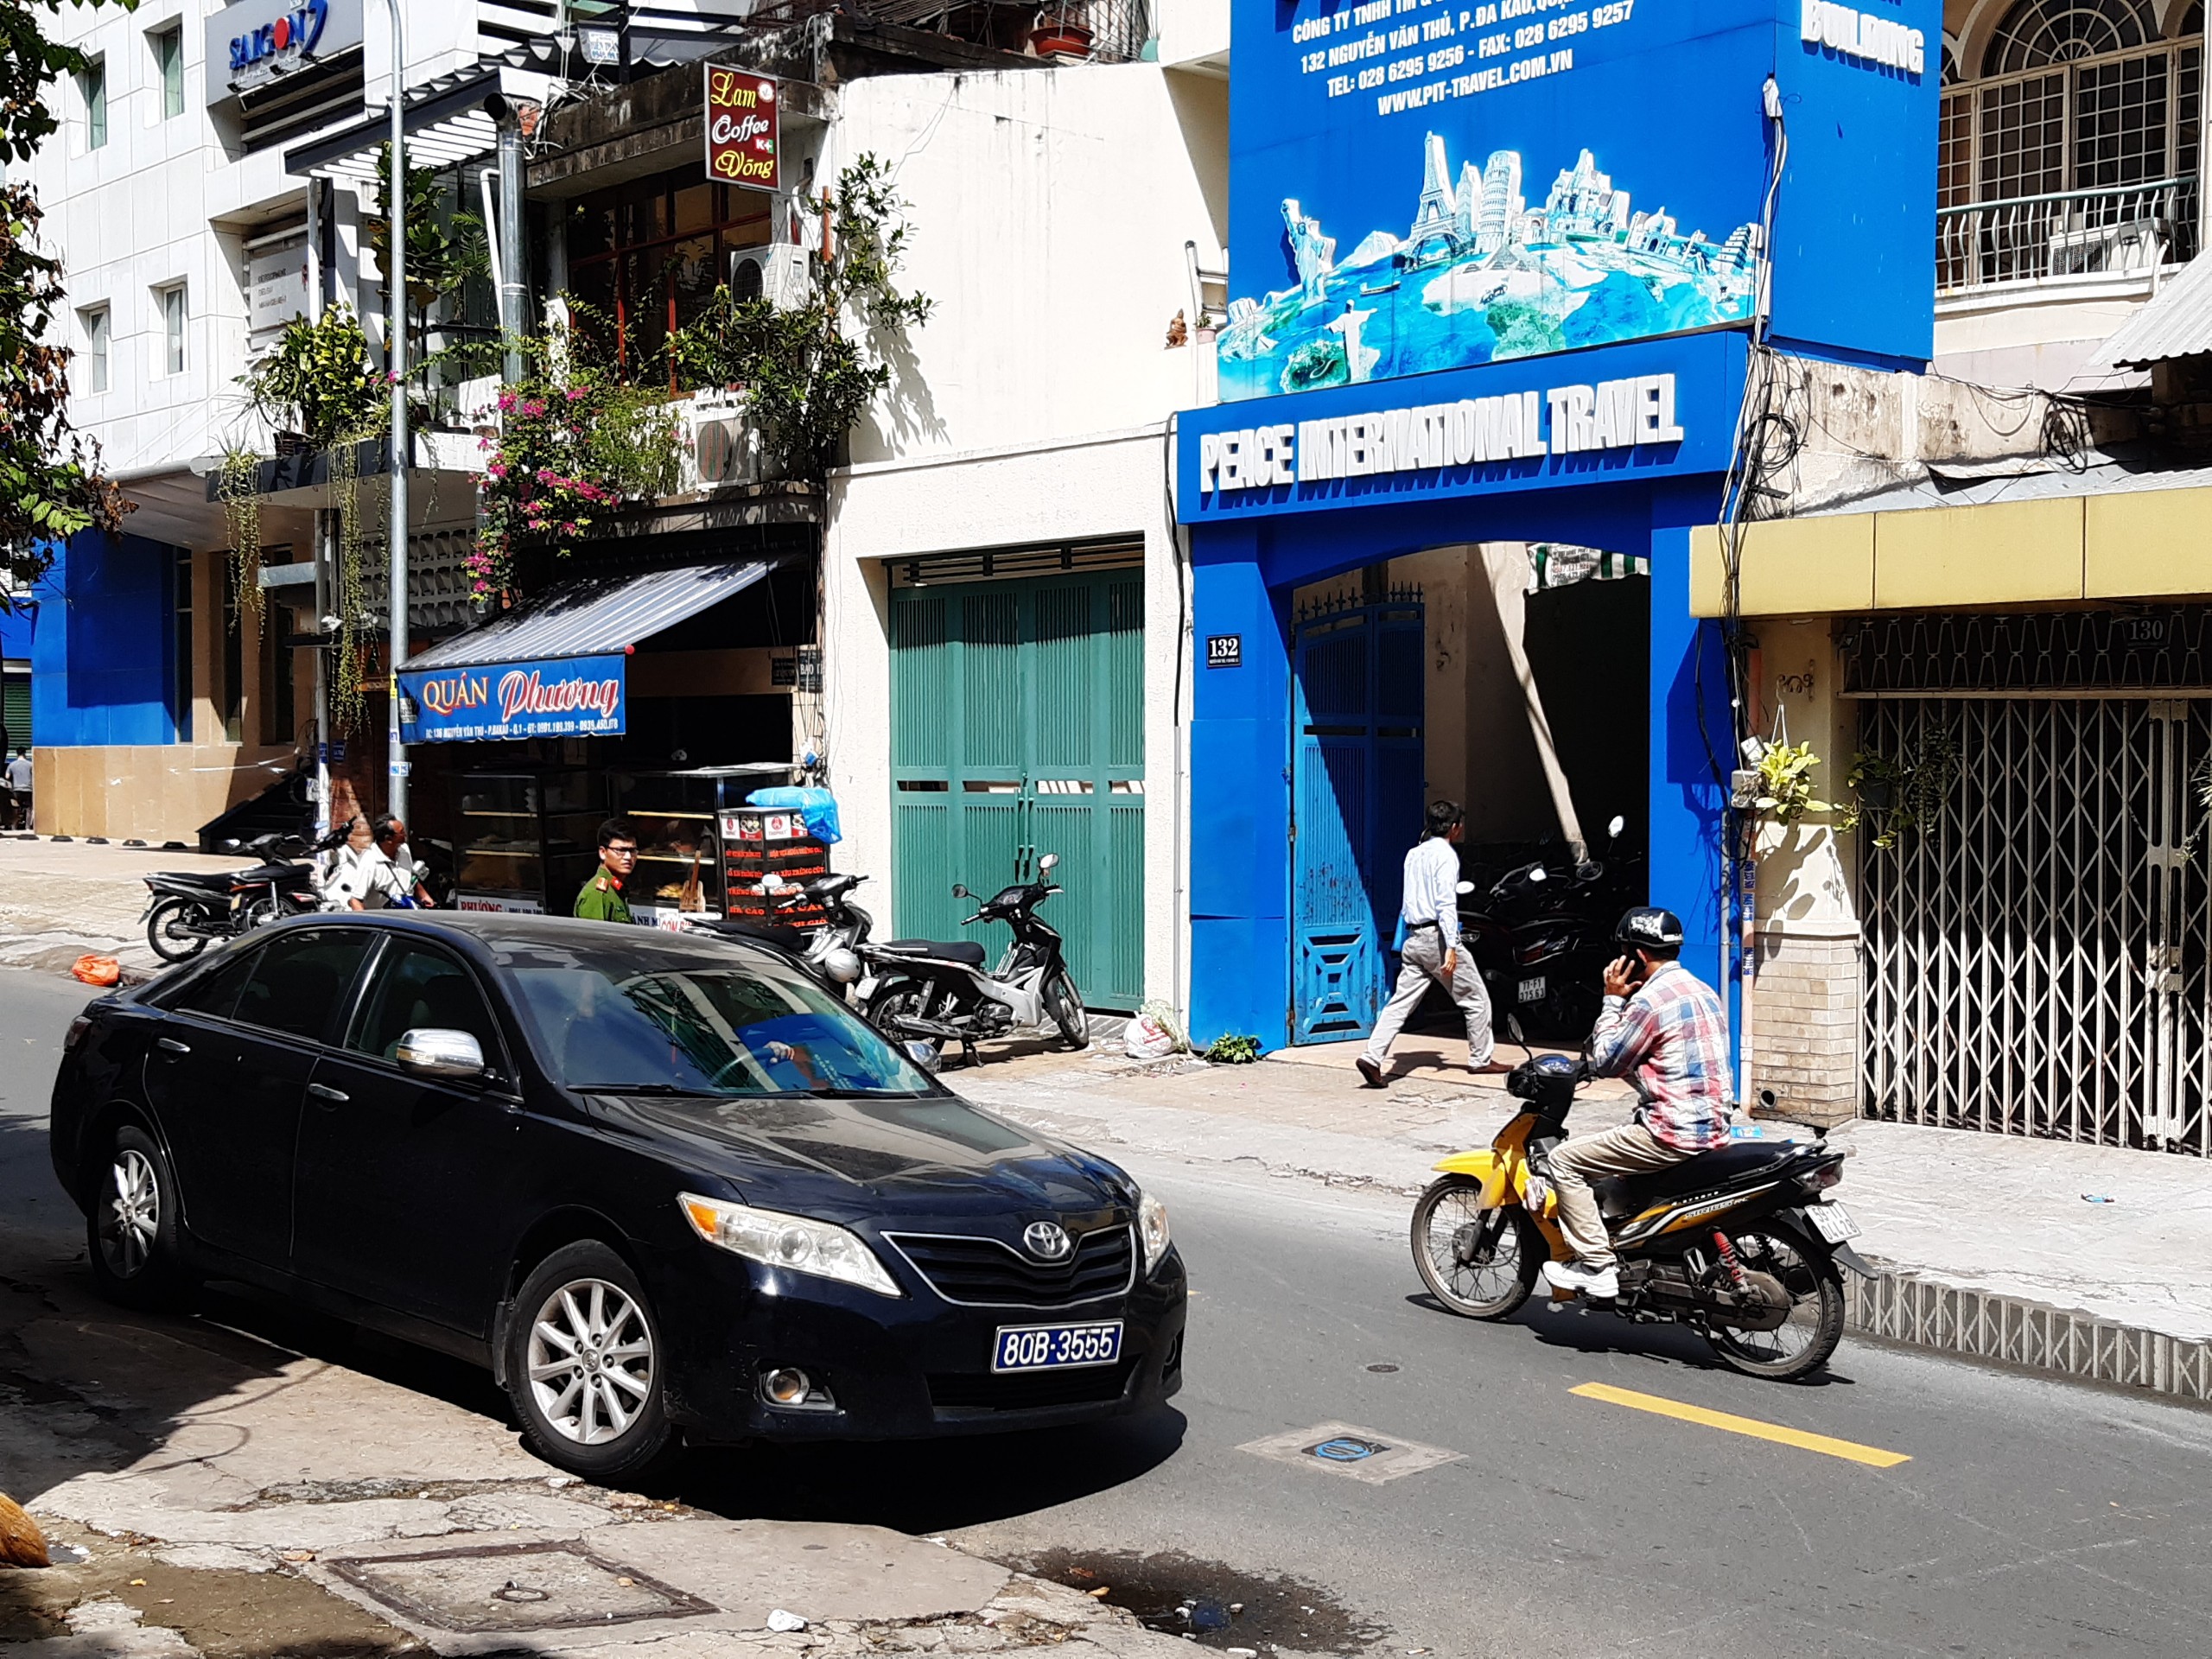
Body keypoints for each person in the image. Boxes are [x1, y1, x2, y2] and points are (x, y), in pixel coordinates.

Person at [1539, 906, 1732, 1300]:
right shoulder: (1703, 990)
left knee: (1564, 1160)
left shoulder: (1649, 1002)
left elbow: (1609, 1061)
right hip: (1714, 1125)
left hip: (1670, 1132)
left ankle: (1598, 1266)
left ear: (1637, 956)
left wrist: (1612, 999)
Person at [1357, 799, 1507, 1088]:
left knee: (1400, 1003)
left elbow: (1410, 899)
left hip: (1414, 937)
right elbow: (1445, 903)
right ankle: (1481, 1059)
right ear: (1454, 827)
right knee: (1475, 999)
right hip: (1436, 938)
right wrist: (1451, 945)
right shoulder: (1446, 856)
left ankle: (1372, 1056)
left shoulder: (1413, 854)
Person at [574, 818, 639, 924]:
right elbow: (596, 938)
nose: (628, 856)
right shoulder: (597, 894)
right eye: (620, 850)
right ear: (603, 853)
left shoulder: (617, 889)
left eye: (632, 851)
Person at [370, 814, 435, 907]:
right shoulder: (368, 859)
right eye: (401, 832)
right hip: (381, 915)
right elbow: (355, 898)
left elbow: (409, 876)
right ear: (388, 839)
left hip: (406, 910)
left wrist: (423, 895)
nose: (405, 834)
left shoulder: (404, 849)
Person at [6, 748, 31, 832]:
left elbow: (7, 776)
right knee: (28, 808)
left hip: (16, 789)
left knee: (16, 808)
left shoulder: (12, 764)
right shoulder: (30, 764)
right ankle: (27, 827)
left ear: (17, 754)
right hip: (28, 789)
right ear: (25, 753)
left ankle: (14, 827)